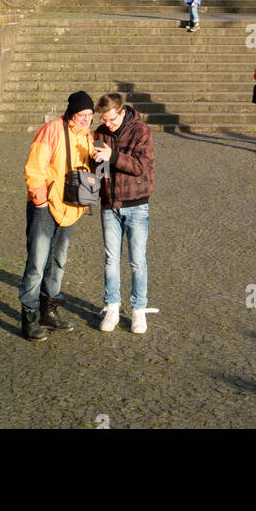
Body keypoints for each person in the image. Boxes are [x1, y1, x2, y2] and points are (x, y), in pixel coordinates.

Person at [19, 90, 109, 341]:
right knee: (37, 263)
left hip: (70, 208)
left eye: (90, 115)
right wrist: (39, 199)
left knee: (58, 263)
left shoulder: (86, 136)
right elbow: (34, 168)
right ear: (72, 113)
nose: (86, 119)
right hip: (45, 206)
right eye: (82, 115)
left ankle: (49, 312)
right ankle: (29, 317)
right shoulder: (51, 130)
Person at [93, 92, 156, 335]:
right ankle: (112, 306)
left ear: (121, 112)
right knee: (110, 260)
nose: (106, 124)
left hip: (136, 203)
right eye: (103, 119)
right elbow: (99, 168)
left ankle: (138, 310)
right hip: (109, 203)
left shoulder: (141, 130)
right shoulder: (100, 132)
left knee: (137, 261)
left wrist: (113, 156)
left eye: (110, 119)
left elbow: (140, 167)